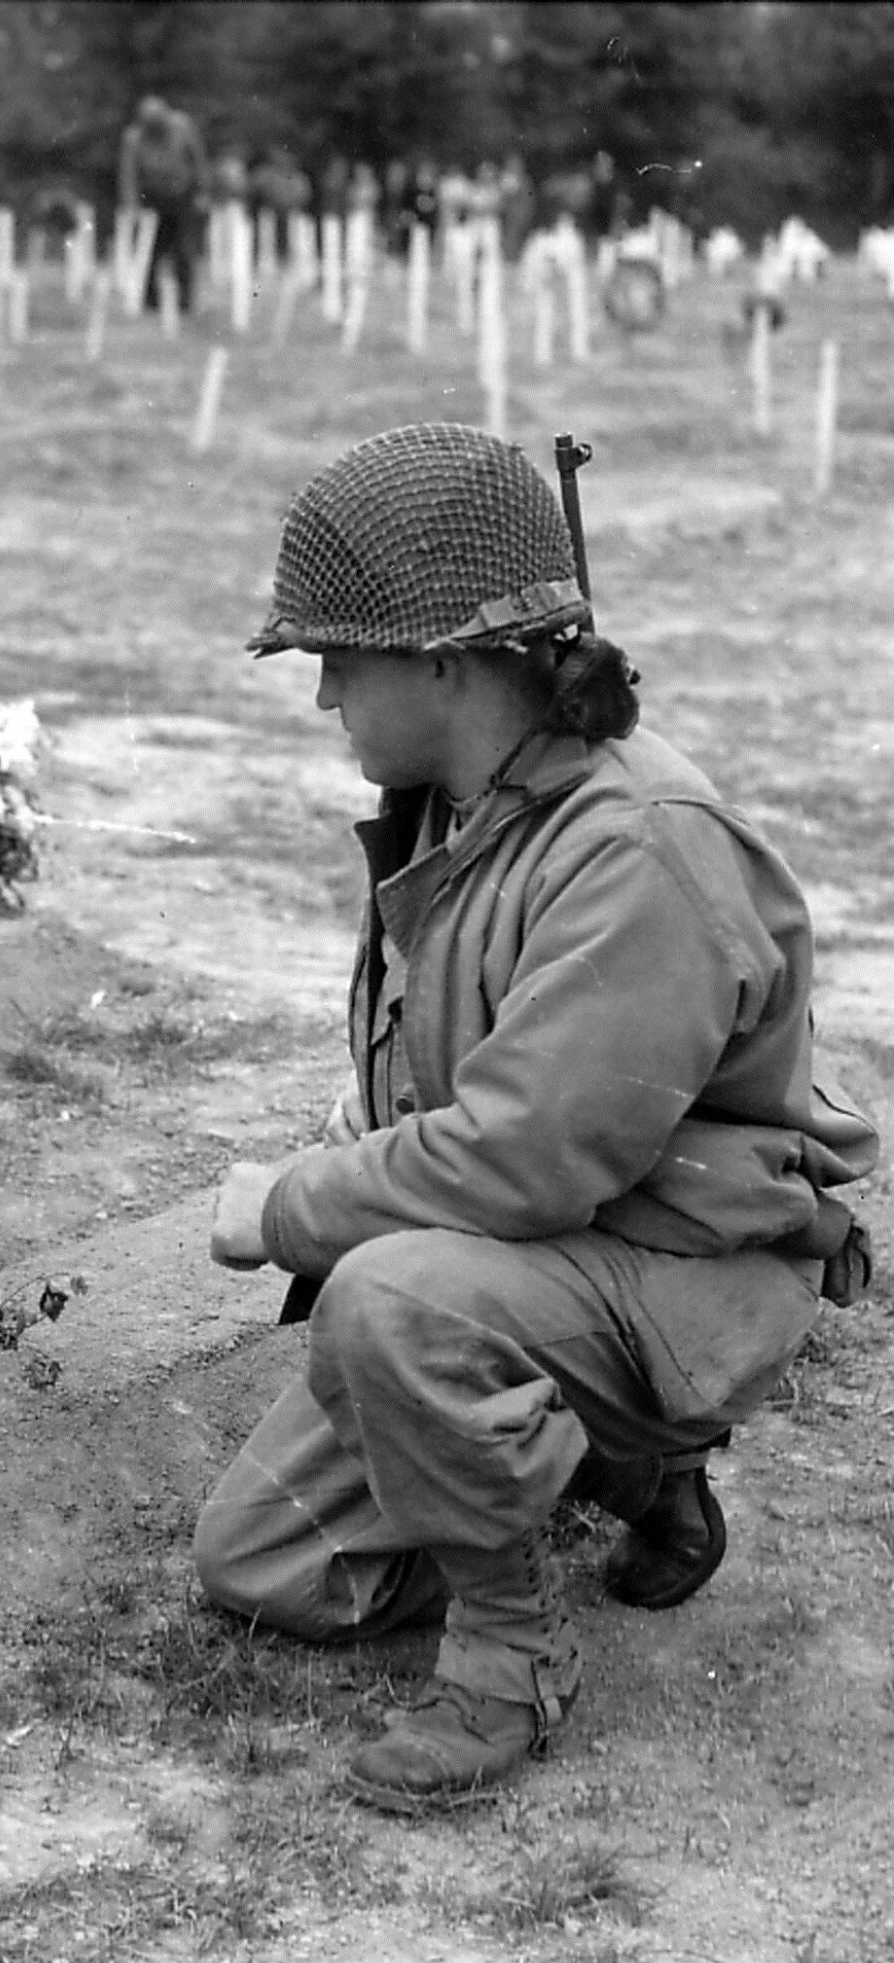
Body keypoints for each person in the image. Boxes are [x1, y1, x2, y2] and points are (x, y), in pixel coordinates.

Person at [195, 423, 876, 1814]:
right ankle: (607, 1465)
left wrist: (286, 1205)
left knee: (385, 1300)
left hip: (685, 1264)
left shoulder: (634, 847)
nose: (322, 693)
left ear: (447, 661)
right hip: (547, 1259)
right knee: (264, 1564)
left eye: (339, 657)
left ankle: (507, 1653)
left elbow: (524, 1154)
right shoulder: (459, 806)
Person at [118, 95, 209, 312]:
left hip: (182, 196)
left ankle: (185, 302)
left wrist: (202, 191)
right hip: (152, 199)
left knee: (183, 251)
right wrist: (132, 205)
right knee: (149, 251)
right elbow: (128, 174)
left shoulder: (182, 126)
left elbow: (198, 160)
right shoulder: (134, 138)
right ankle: (150, 302)